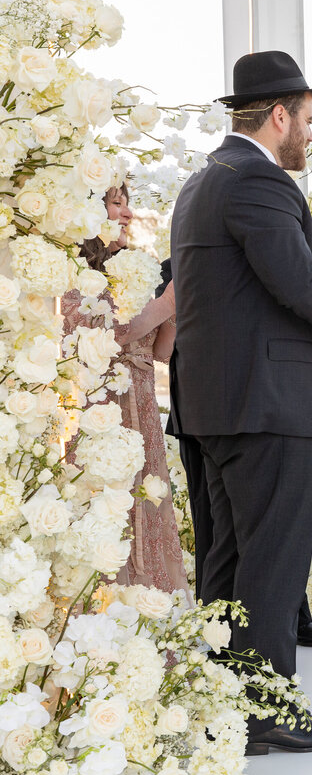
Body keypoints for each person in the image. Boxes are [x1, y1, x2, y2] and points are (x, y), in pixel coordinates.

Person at [169, 50, 312, 756]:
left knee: (231, 568)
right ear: (278, 116)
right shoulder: (260, 184)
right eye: (306, 119)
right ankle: (268, 711)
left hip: (218, 407)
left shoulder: (205, 181)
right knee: (270, 566)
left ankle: (226, 710)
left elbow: (256, 286)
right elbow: (294, 281)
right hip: (266, 407)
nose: (309, 133)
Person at [160, 260, 312, 647]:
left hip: (252, 403)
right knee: (220, 534)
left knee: (257, 534)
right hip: (215, 408)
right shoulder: (175, 265)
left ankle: (286, 619)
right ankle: (223, 641)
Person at [62, 184, 189, 596]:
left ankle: (150, 612)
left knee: (146, 500)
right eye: (117, 203)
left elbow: (161, 350)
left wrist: (175, 303)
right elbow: (113, 333)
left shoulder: (138, 266)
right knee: (106, 502)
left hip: (143, 404)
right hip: (101, 406)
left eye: (127, 203)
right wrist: (167, 302)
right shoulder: (73, 272)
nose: (128, 213)